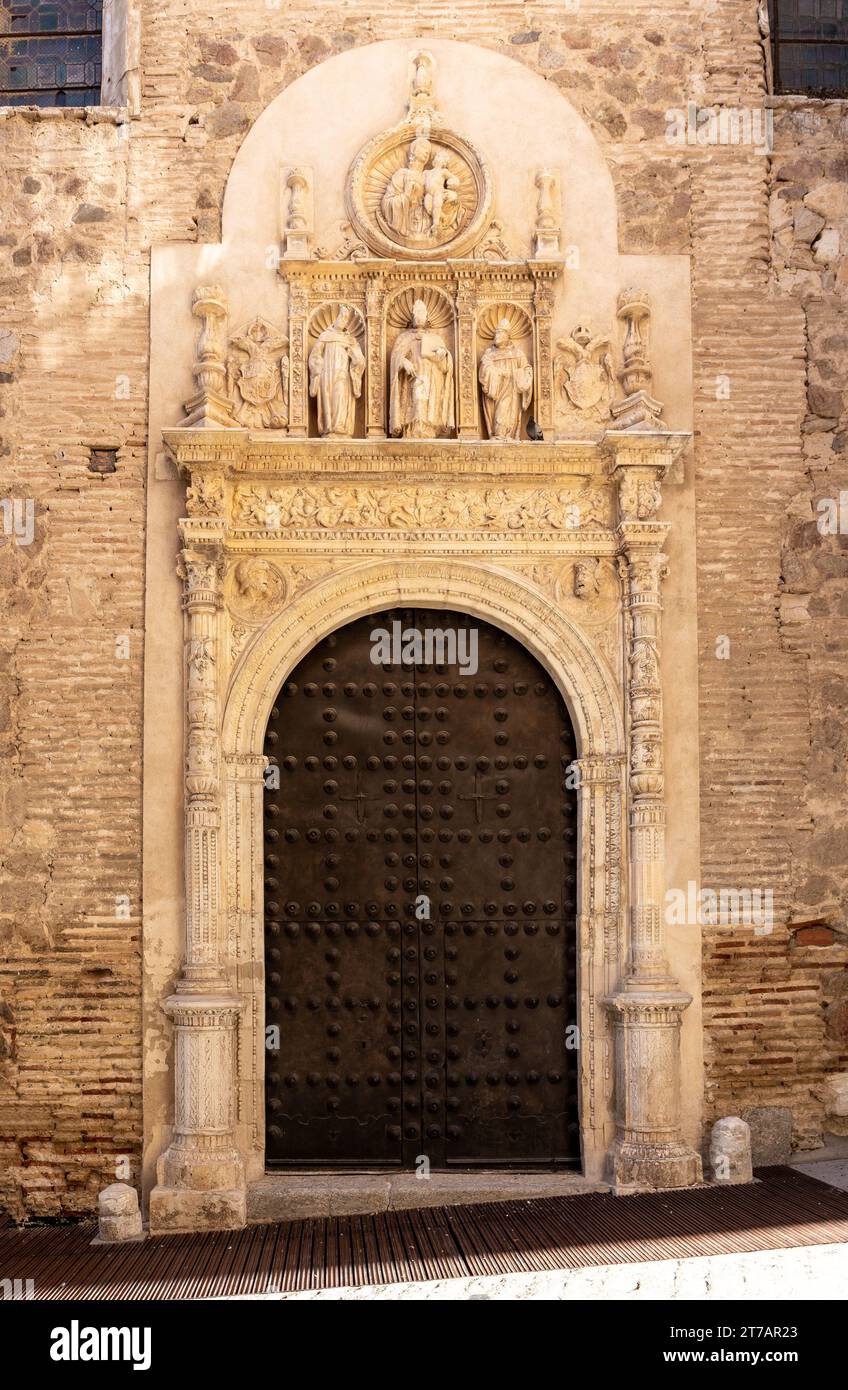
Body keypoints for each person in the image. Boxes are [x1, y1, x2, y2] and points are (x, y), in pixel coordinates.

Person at [308, 305, 365, 438]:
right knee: (328, 397)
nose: (343, 320)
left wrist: (353, 354)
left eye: (346, 319)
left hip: (343, 374)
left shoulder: (350, 340)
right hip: (327, 373)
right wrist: (318, 368)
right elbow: (315, 355)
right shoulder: (324, 336)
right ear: (336, 319)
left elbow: (360, 360)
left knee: (340, 394)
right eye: (342, 317)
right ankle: (329, 427)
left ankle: (340, 425)